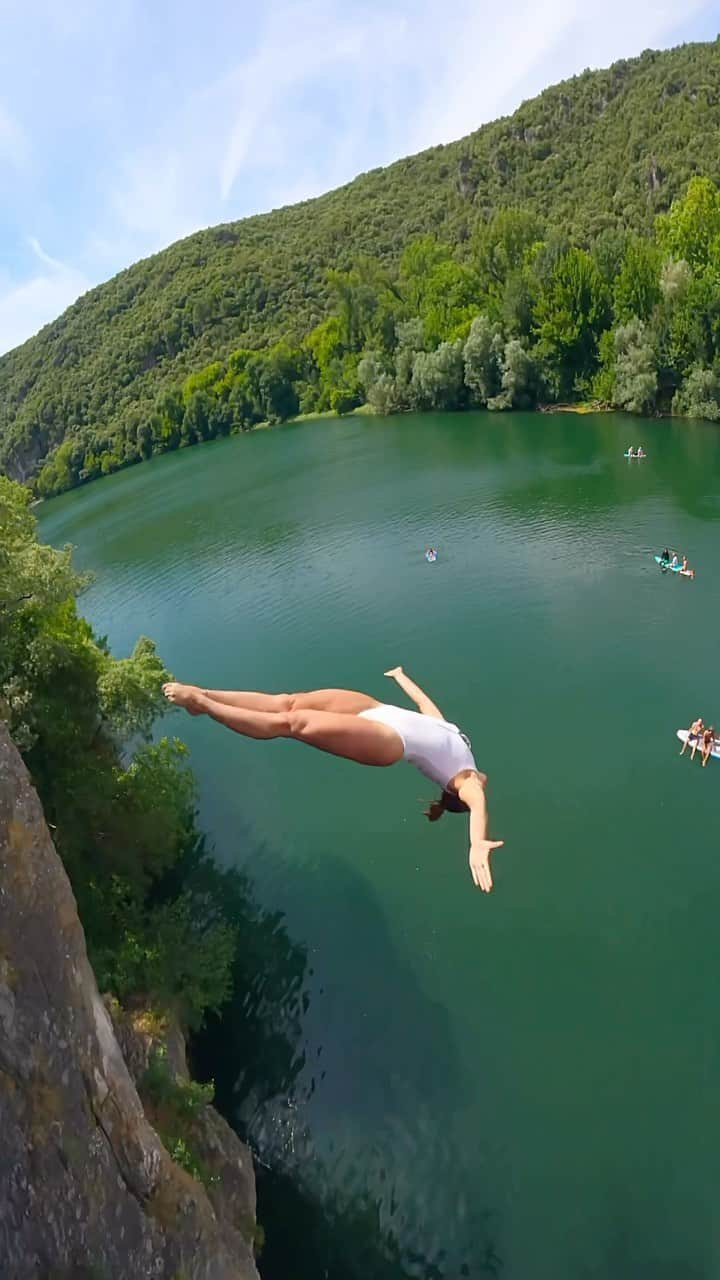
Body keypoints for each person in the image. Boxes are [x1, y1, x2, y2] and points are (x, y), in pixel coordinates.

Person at [162, 666, 503, 891]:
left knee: (292, 724)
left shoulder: (464, 781)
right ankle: (205, 693)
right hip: (375, 708)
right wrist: (401, 677)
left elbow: (478, 805)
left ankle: (202, 703)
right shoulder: (464, 750)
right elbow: (427, 707)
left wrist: (476, 843)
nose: (484, 785)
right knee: (288, 702)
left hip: (387, 740)